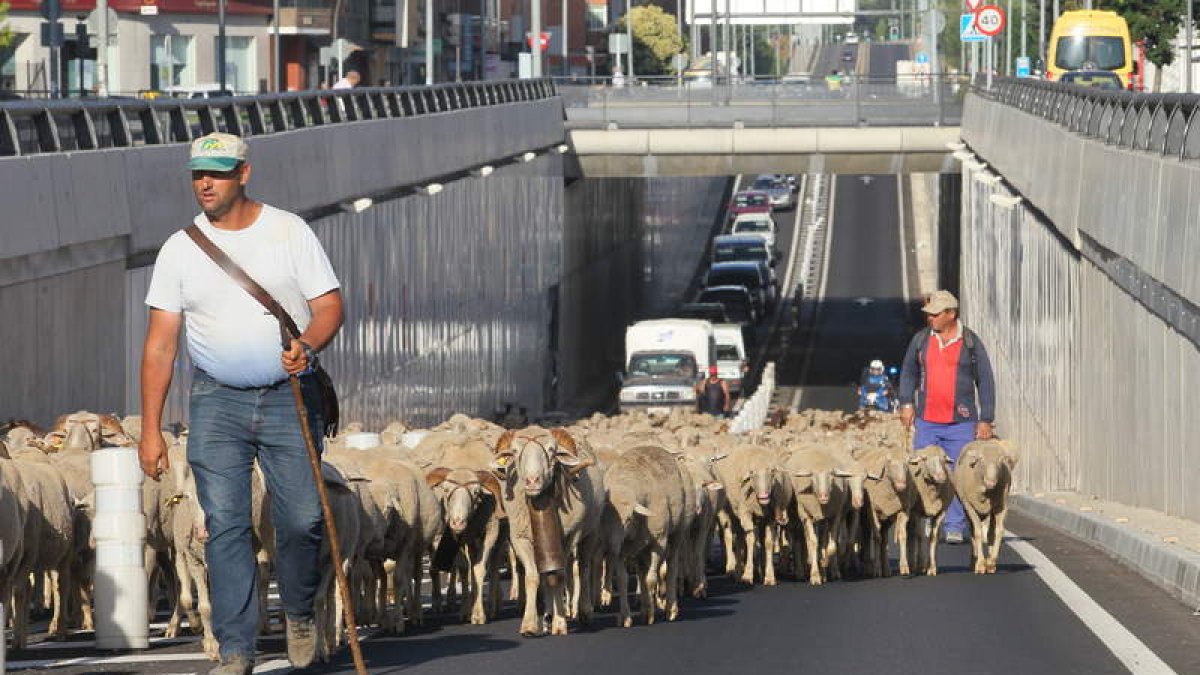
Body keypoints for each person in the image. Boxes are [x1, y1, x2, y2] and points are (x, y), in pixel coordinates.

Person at [138, 132, 344, 675]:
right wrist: (151, 429)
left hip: (288, 396)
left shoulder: (287, 232)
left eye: (218, 172)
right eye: (197, 174)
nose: (205, 183)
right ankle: (236, 647)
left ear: (244, 174)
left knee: (300, 519)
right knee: (224, 525)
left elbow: (329, 307)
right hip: (216, 401)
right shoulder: (179, 249)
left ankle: (299, 610)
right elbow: (160, 345)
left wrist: (307, 345)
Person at [898, 290, 996, 545]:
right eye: (928, 315)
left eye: (935, 314)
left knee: (956, 474)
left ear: (951, 314)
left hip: (961, 422)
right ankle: (925, 518)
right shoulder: (921, 341)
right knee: (924, 471)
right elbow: (908, 372)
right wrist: (906, 403)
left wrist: (986, 418)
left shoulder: (970, 343)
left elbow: (985, 380)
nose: (930, 319)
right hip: (927, 420)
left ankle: (954, 525)